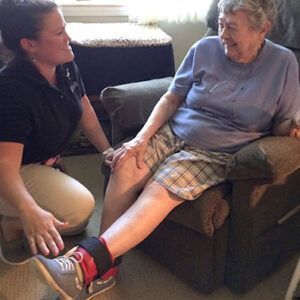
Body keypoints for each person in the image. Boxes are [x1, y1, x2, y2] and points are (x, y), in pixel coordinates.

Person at [30, 0, 300, 299]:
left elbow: (282, 122)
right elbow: (172, 97)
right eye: (221, 24)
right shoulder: (205, 48)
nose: (223, 34)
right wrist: (141, 139)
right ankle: (105, 267)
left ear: (262, 29)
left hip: (215, 151)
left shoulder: (283, 63)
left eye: (232, 27)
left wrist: (290, 129)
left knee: (159, 190)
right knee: (126, 164)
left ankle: (82, 264)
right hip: (174, 131)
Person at [0, 0, 115, 266]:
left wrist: (106, 149)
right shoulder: (12, 89)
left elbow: (84, 107)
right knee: (79, 212)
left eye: (65, 29)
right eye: (59, 33)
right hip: (11, 169)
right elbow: (5, 165)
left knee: (71, 218)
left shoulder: (64, 64)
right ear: (29, 44)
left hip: (36, 162)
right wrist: (28, 210)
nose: (68, 38)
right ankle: (11, 223)